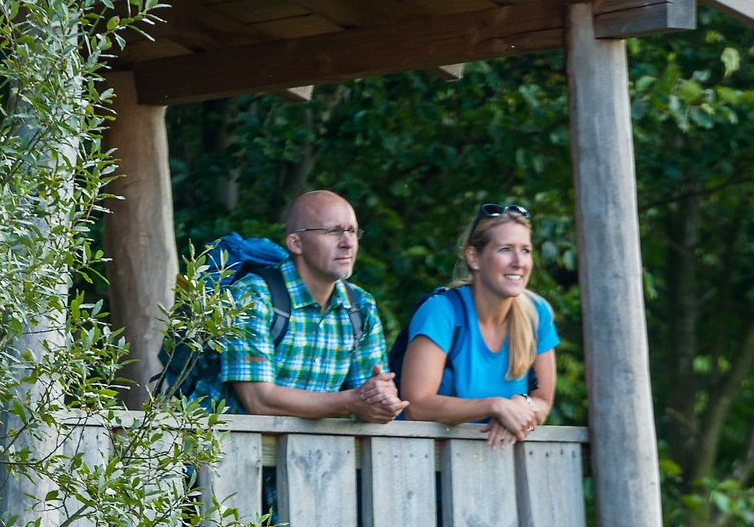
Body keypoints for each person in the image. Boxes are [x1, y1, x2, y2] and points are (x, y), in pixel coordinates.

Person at [222, 190, 404, 421]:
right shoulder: (254, 294)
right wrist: (350, 401)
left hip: (312, 454)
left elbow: (367, 399)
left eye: (352, 231)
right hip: (228, 451)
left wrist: (382, 400)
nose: (348, 243)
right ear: (296, 243)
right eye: (333, 231)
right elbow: (257, 399)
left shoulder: (361, 306)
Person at [397, 201, 557, 444]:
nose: (518, 262)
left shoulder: (538, 313)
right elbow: (417, 405)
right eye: (505, 249)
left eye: (525, 250)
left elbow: (543, 401)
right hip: (424, 461)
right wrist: (494, 406)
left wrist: (519, 407)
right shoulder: (442, 311)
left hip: (494, 461)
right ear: (474, 257)